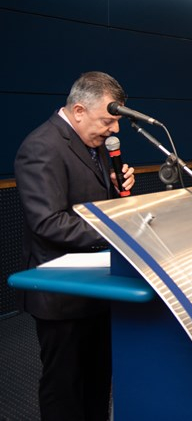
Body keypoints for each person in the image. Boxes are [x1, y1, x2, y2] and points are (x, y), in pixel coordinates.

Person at [14, 71, 136, 421]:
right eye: (108, 121)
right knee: (64, 388)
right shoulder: (41, 146)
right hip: (62, 294)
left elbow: (91, 207)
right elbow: (48, 223)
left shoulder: (92, 144)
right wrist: (118, 230)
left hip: (98, 287)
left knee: (97, 381)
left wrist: (118, 193)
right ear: (79, 110)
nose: (114, 129)